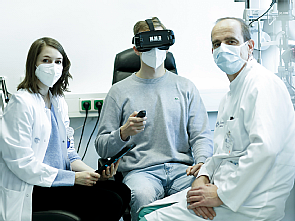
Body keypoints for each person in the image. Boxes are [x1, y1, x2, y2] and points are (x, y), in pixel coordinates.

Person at [136, 17, 295, 221]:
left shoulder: (262, 85)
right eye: (216, 44)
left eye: (231, 41)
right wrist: (203, 175)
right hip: (226, 189)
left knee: (147, 217)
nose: (223, 49)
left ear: (250, 46)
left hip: (251, 201)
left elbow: (265, 150)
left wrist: (220, 194)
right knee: (145, 210)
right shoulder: (231, 95)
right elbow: (223, 153)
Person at [95, 17, 213, 221]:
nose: (156, 52)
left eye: (160, 45)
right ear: (137, 49)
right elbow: (102, 147)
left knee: (203, 196)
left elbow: (201, 135)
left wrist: (202, 164)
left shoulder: (185, 87)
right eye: (149, 46)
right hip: (141, 172)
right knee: (141, 197)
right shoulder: (119, 92)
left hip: (182, 171)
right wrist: (123, 133)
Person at [0, 37, 130, 221]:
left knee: (121, 190)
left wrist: (95, 174)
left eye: (58, 61)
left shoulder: (58, 101)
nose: (53, 66)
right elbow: (22, 164)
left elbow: (68, 152)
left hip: (59, 181)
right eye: (46, 60)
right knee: (109, 201)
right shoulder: (21, 103)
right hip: (34, 188)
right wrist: (73, 179)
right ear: (33, 64)